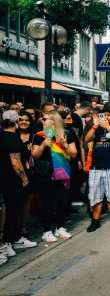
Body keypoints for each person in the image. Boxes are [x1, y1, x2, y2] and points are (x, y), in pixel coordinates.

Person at [31, 111, 77, 242]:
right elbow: (35, 155)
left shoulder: (67, 134)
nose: (42, 121)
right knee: (47, 202)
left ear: (53, 120)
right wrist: (43, 145)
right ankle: (46, 230)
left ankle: (60, 227)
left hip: (63, 173)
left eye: (45, 119)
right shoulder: (39, 136)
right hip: (45, 174)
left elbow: (73, 154)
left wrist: (65, 145)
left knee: (62, 202)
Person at [0, 110, 36, 257]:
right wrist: (24, 178)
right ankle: (7, 242)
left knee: (10, 210)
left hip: (3, 179)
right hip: (12, 180)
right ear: (15, 123)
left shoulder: (2, 136)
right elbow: (15, 162)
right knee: (13, 210)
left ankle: (15, 238)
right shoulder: (13, 139)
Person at [84, 104, 110, 232]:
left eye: (109, 115)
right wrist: (95, 126)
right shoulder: (96, 128)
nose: (106, 117)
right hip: (96, 167)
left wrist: (108, 127)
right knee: (95, 194)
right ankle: (95, 220)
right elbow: (86, 139)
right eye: (104, 115)